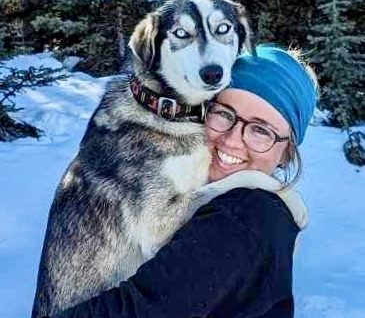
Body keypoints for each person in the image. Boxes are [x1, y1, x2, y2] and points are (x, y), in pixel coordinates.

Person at [51, 45, 317, 318]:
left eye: (261, 130)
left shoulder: (246, 213)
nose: (231, 140)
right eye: (224, 114)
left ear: (287, 153)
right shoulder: (195, 182)